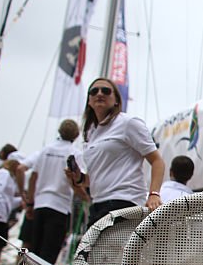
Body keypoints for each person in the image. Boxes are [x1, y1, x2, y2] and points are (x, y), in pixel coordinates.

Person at [66, 78, 165, 226]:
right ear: (89, 101)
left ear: (116, 101)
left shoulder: (128, 123)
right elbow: (98, 176)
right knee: (92, 250)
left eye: (106, 91)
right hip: (98, 204)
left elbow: (157, 161)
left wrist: (154, 194)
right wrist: (80, 178)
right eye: (94, 91)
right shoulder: (91, 133)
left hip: (125, 202)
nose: (99, 93)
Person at [14, 119, 81, 265]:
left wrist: (28, 200)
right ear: (76, 135)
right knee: (50, 251)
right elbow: (76, 180)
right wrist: (85, 197)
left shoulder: (45, 150)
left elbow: (30, 175)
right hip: (59, 205)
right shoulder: (74, 153)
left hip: (40, 204)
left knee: (36, 248)